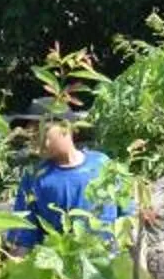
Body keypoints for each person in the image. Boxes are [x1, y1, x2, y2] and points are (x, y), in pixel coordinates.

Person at [7, 104, 123, 250]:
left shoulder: (101, 163)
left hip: (106, 257)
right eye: (33, 136)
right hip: (62, 260)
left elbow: (127, 210)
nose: (38, 141)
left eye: (42, 132)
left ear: (65, 127)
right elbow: (23, 236)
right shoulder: (34, 177)